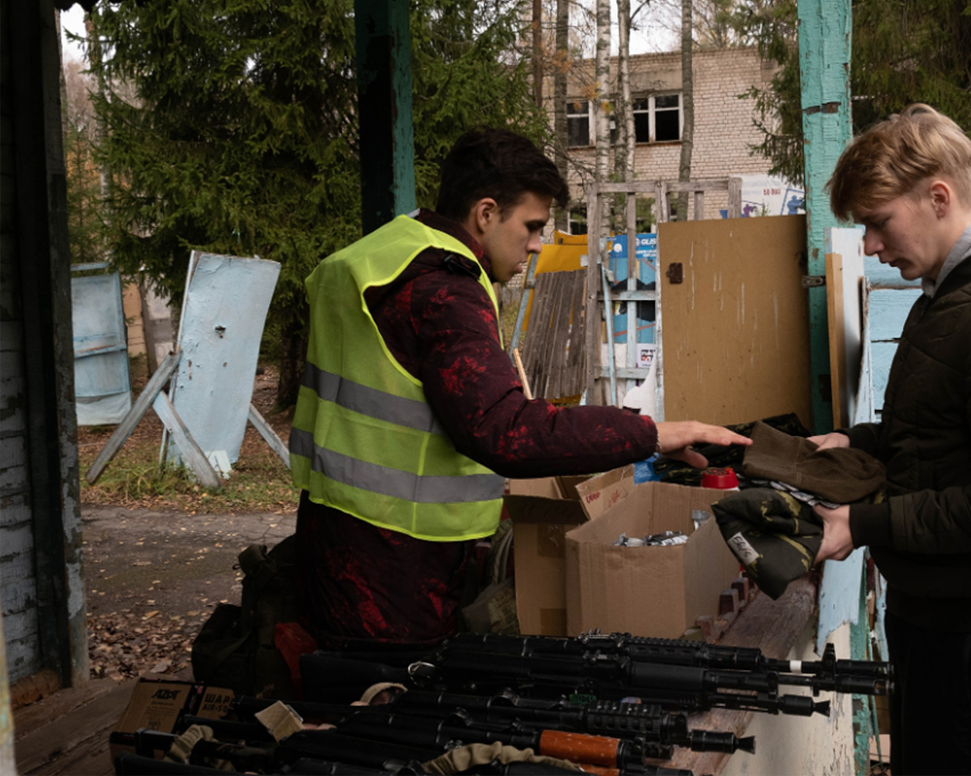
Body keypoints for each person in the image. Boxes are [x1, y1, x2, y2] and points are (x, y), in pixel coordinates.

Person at [288, 126, 750, 649]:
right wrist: (650, 433)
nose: (536, 245)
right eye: (531, 226)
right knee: (390, 691)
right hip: (396, 569)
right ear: (486, 213)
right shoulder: (444, 290)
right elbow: (505, 431)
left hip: (332, 537)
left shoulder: (382, 255)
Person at [807, 104, 971, 776]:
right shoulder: (949, 297)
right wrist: (856, 441)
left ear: (938, 197)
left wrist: (866, 523)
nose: (869, 245)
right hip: (939, 613)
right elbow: (938, 436)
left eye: (877, 221)